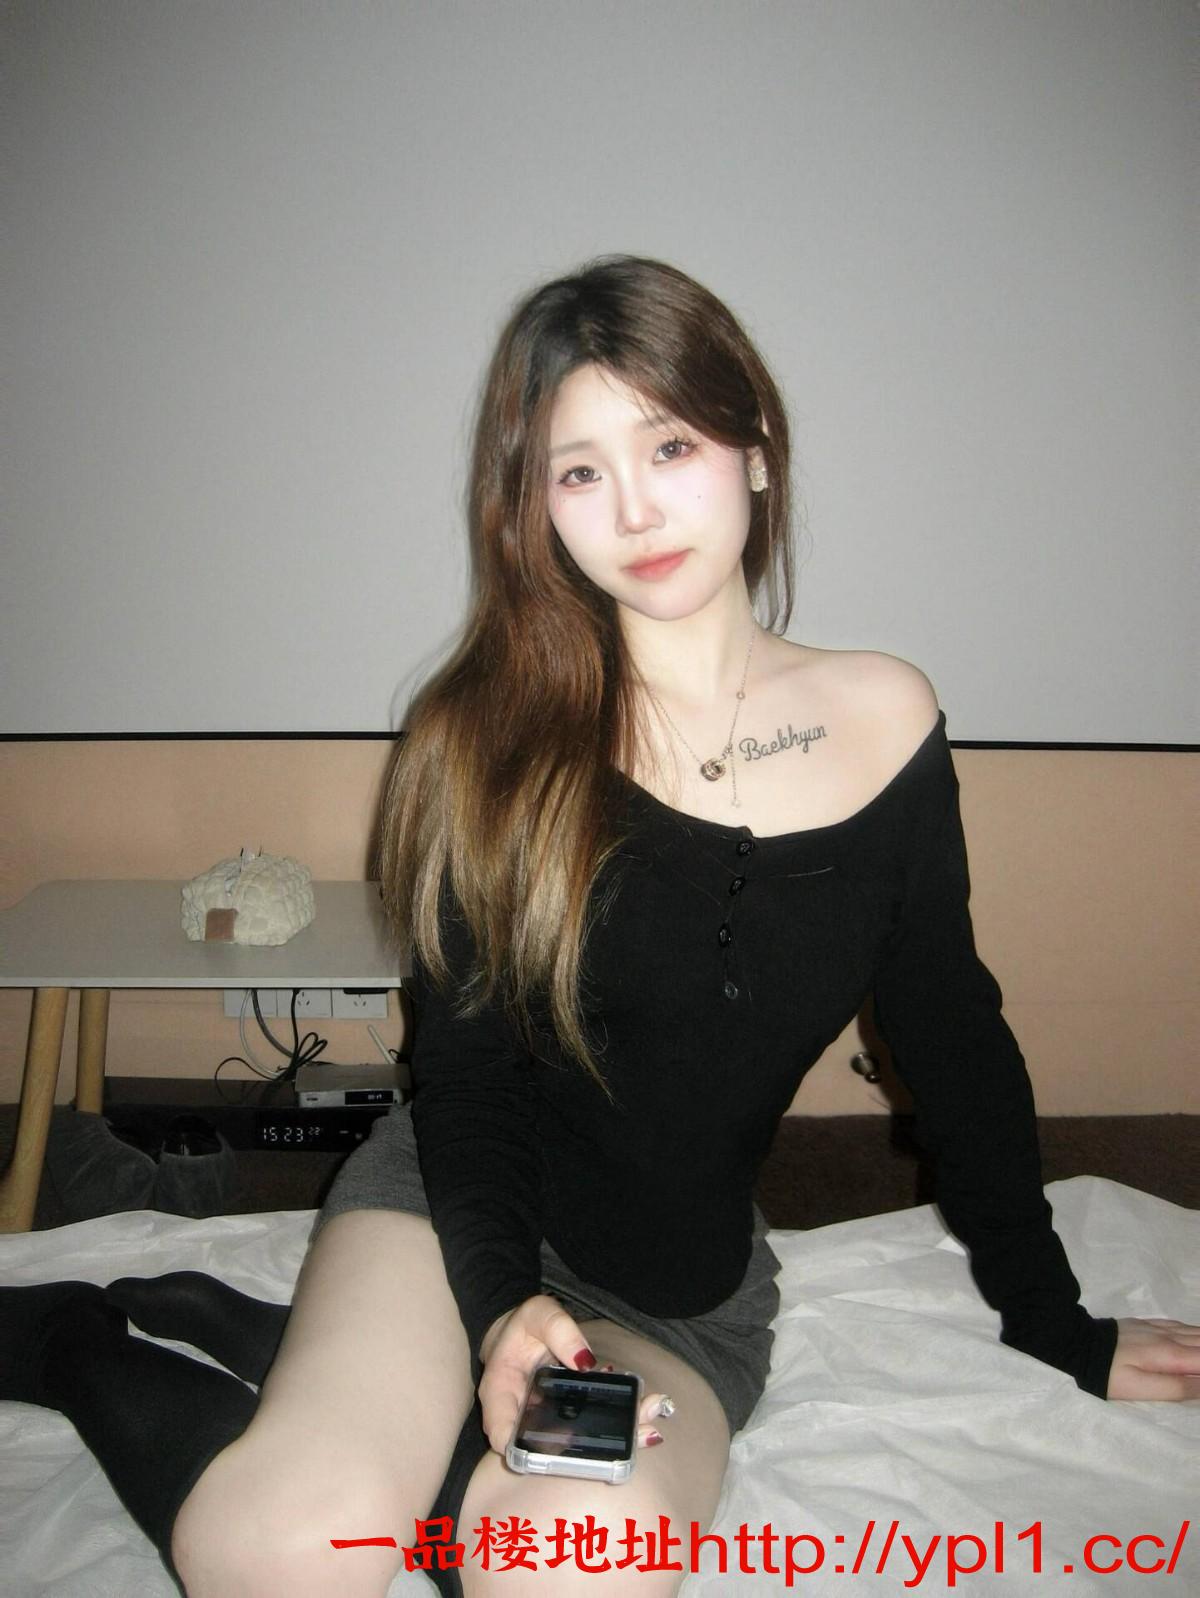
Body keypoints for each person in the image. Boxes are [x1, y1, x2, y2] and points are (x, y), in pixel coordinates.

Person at [3, 255, 1198, 1598]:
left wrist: (1055, 1321)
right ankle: (74, 1344)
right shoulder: (485, 742)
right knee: (278, 1557)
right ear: (537, 503)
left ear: (754, 446)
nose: (634, 508)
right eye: (580, 470)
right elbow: (466, 1079)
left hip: (676, 1294)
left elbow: (954, 1036)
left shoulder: (887, 721)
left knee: (568, 1570)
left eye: (671, 444)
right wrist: (498, 1307)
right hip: (454, 1220)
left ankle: (323, 1372)